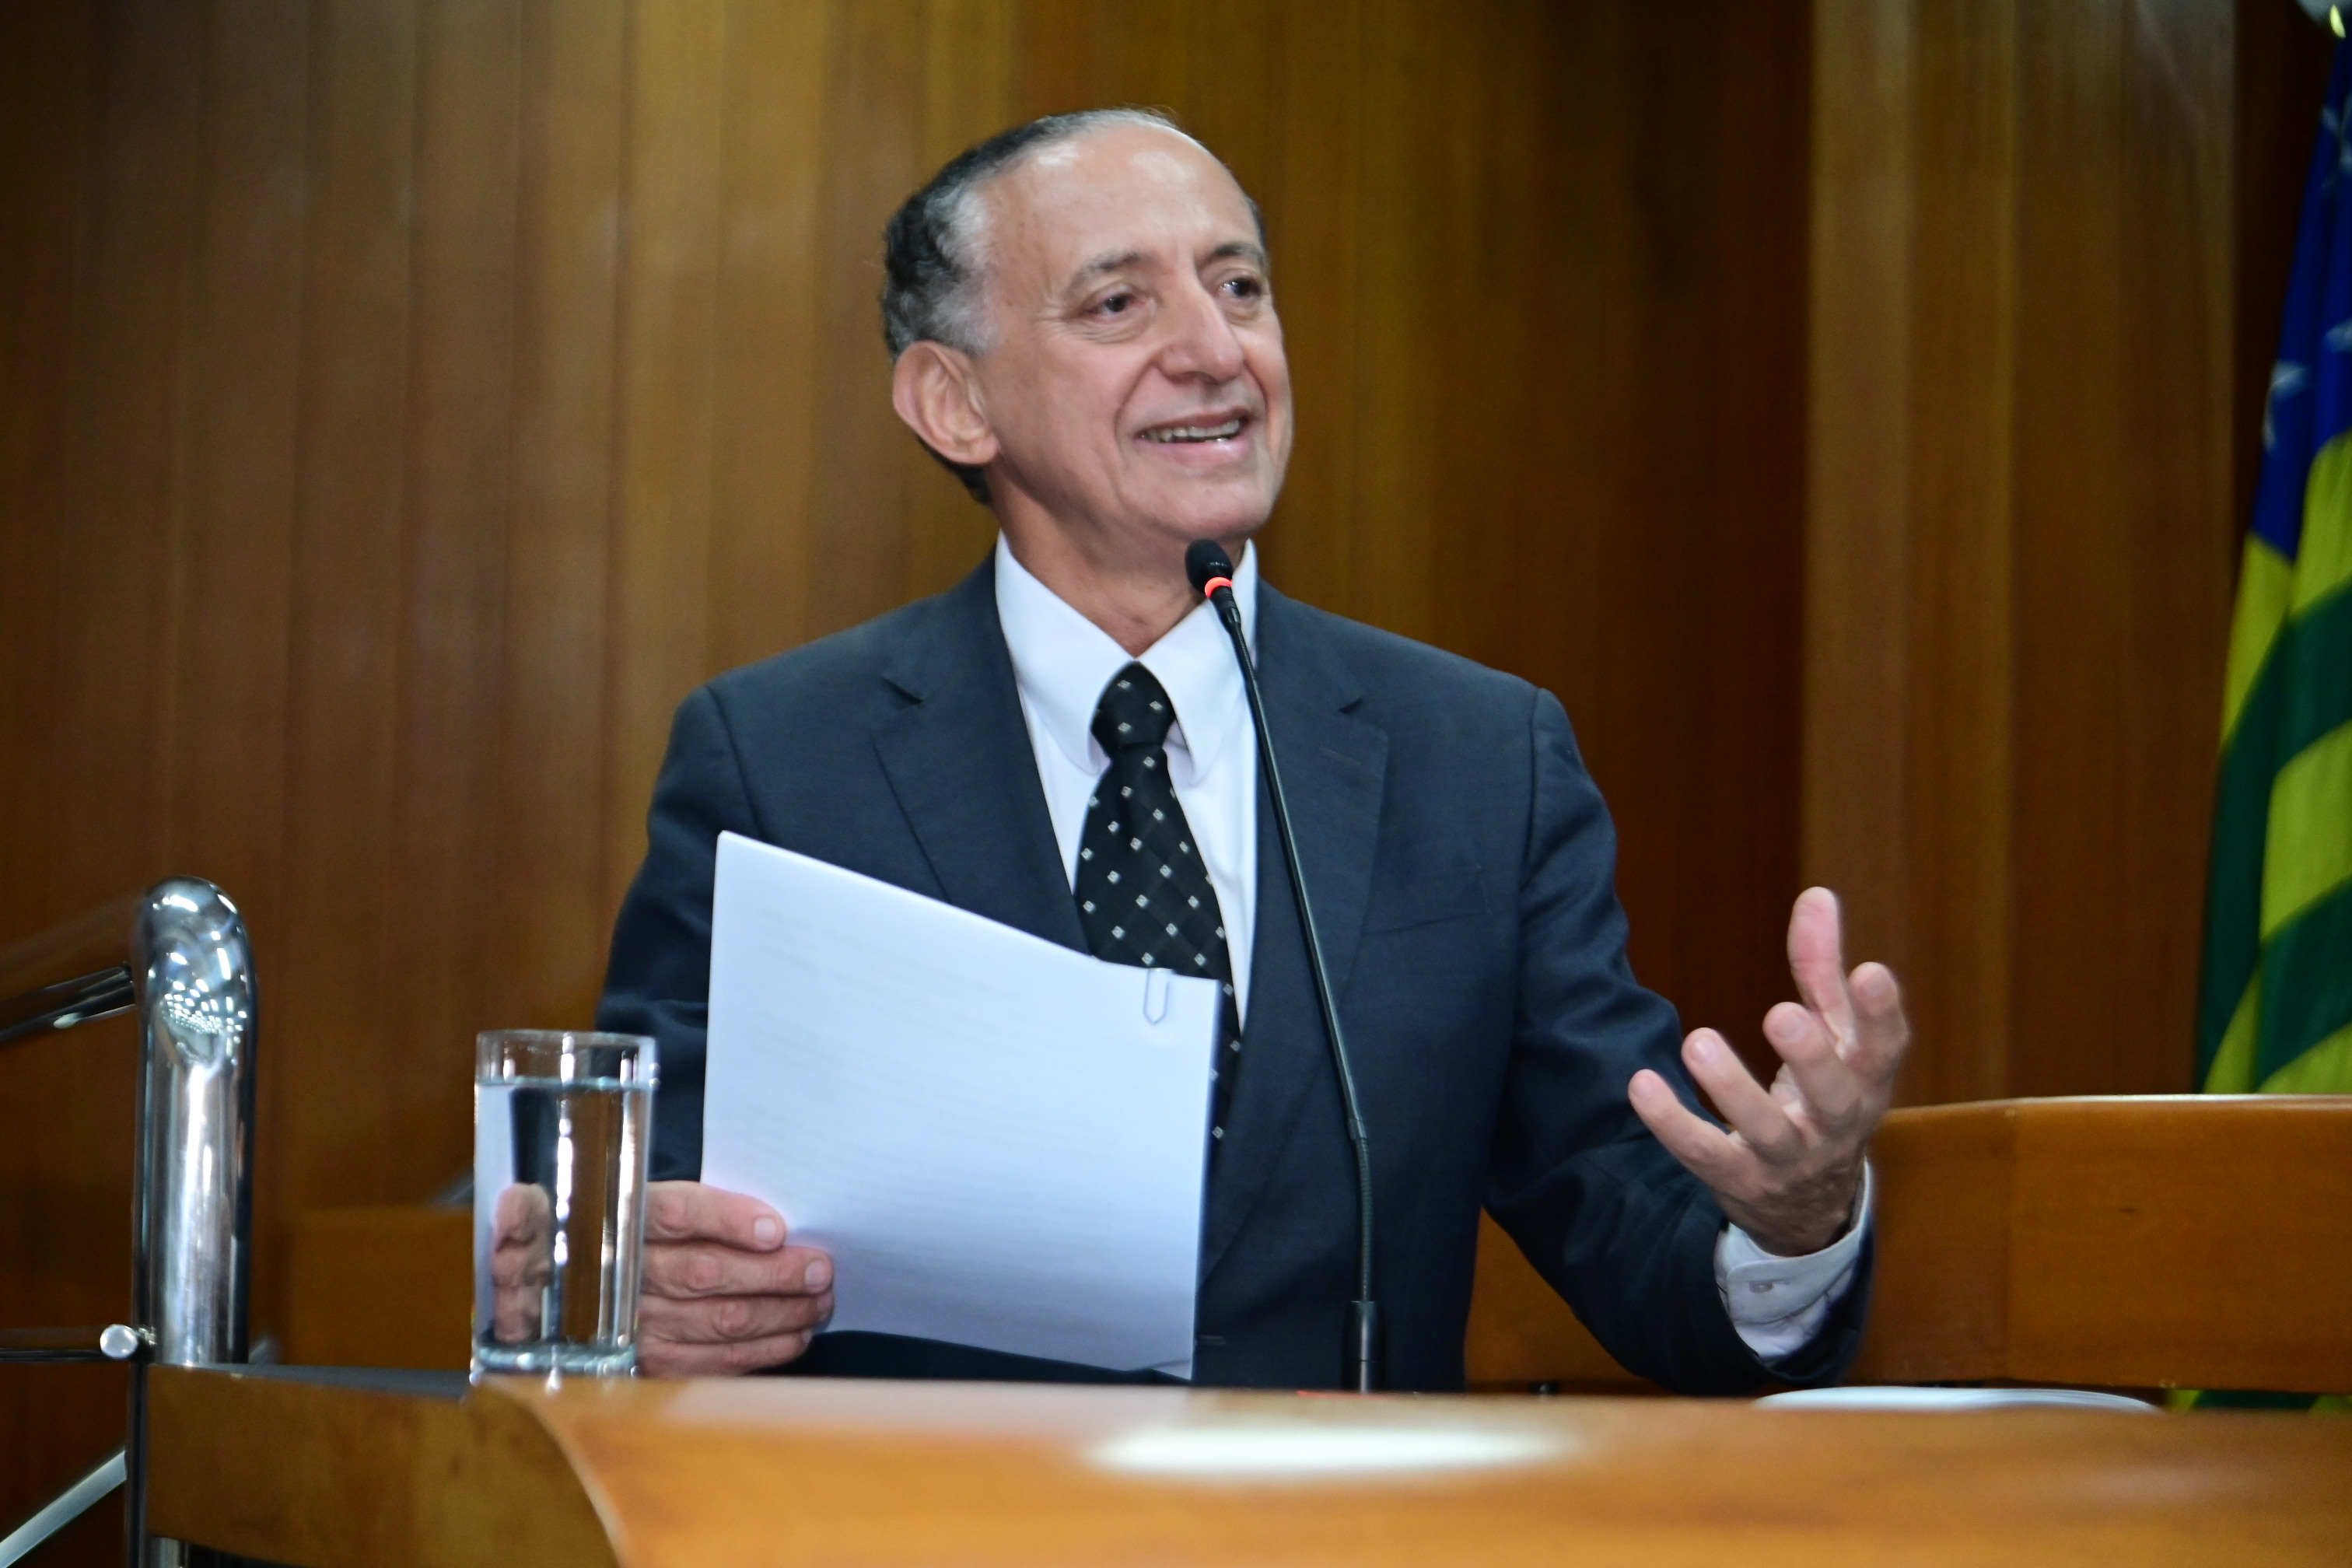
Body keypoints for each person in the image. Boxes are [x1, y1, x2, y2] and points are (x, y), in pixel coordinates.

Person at [595, 109, 1909, 1391]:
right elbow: (652, 1209)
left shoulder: (1478, 759)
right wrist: (645, 1277)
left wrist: (1795, 1224)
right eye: (1120, 303)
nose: (1217, 350)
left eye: (1239, 287)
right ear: (955, 402)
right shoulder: (780, 760)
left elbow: (1628, 1219)